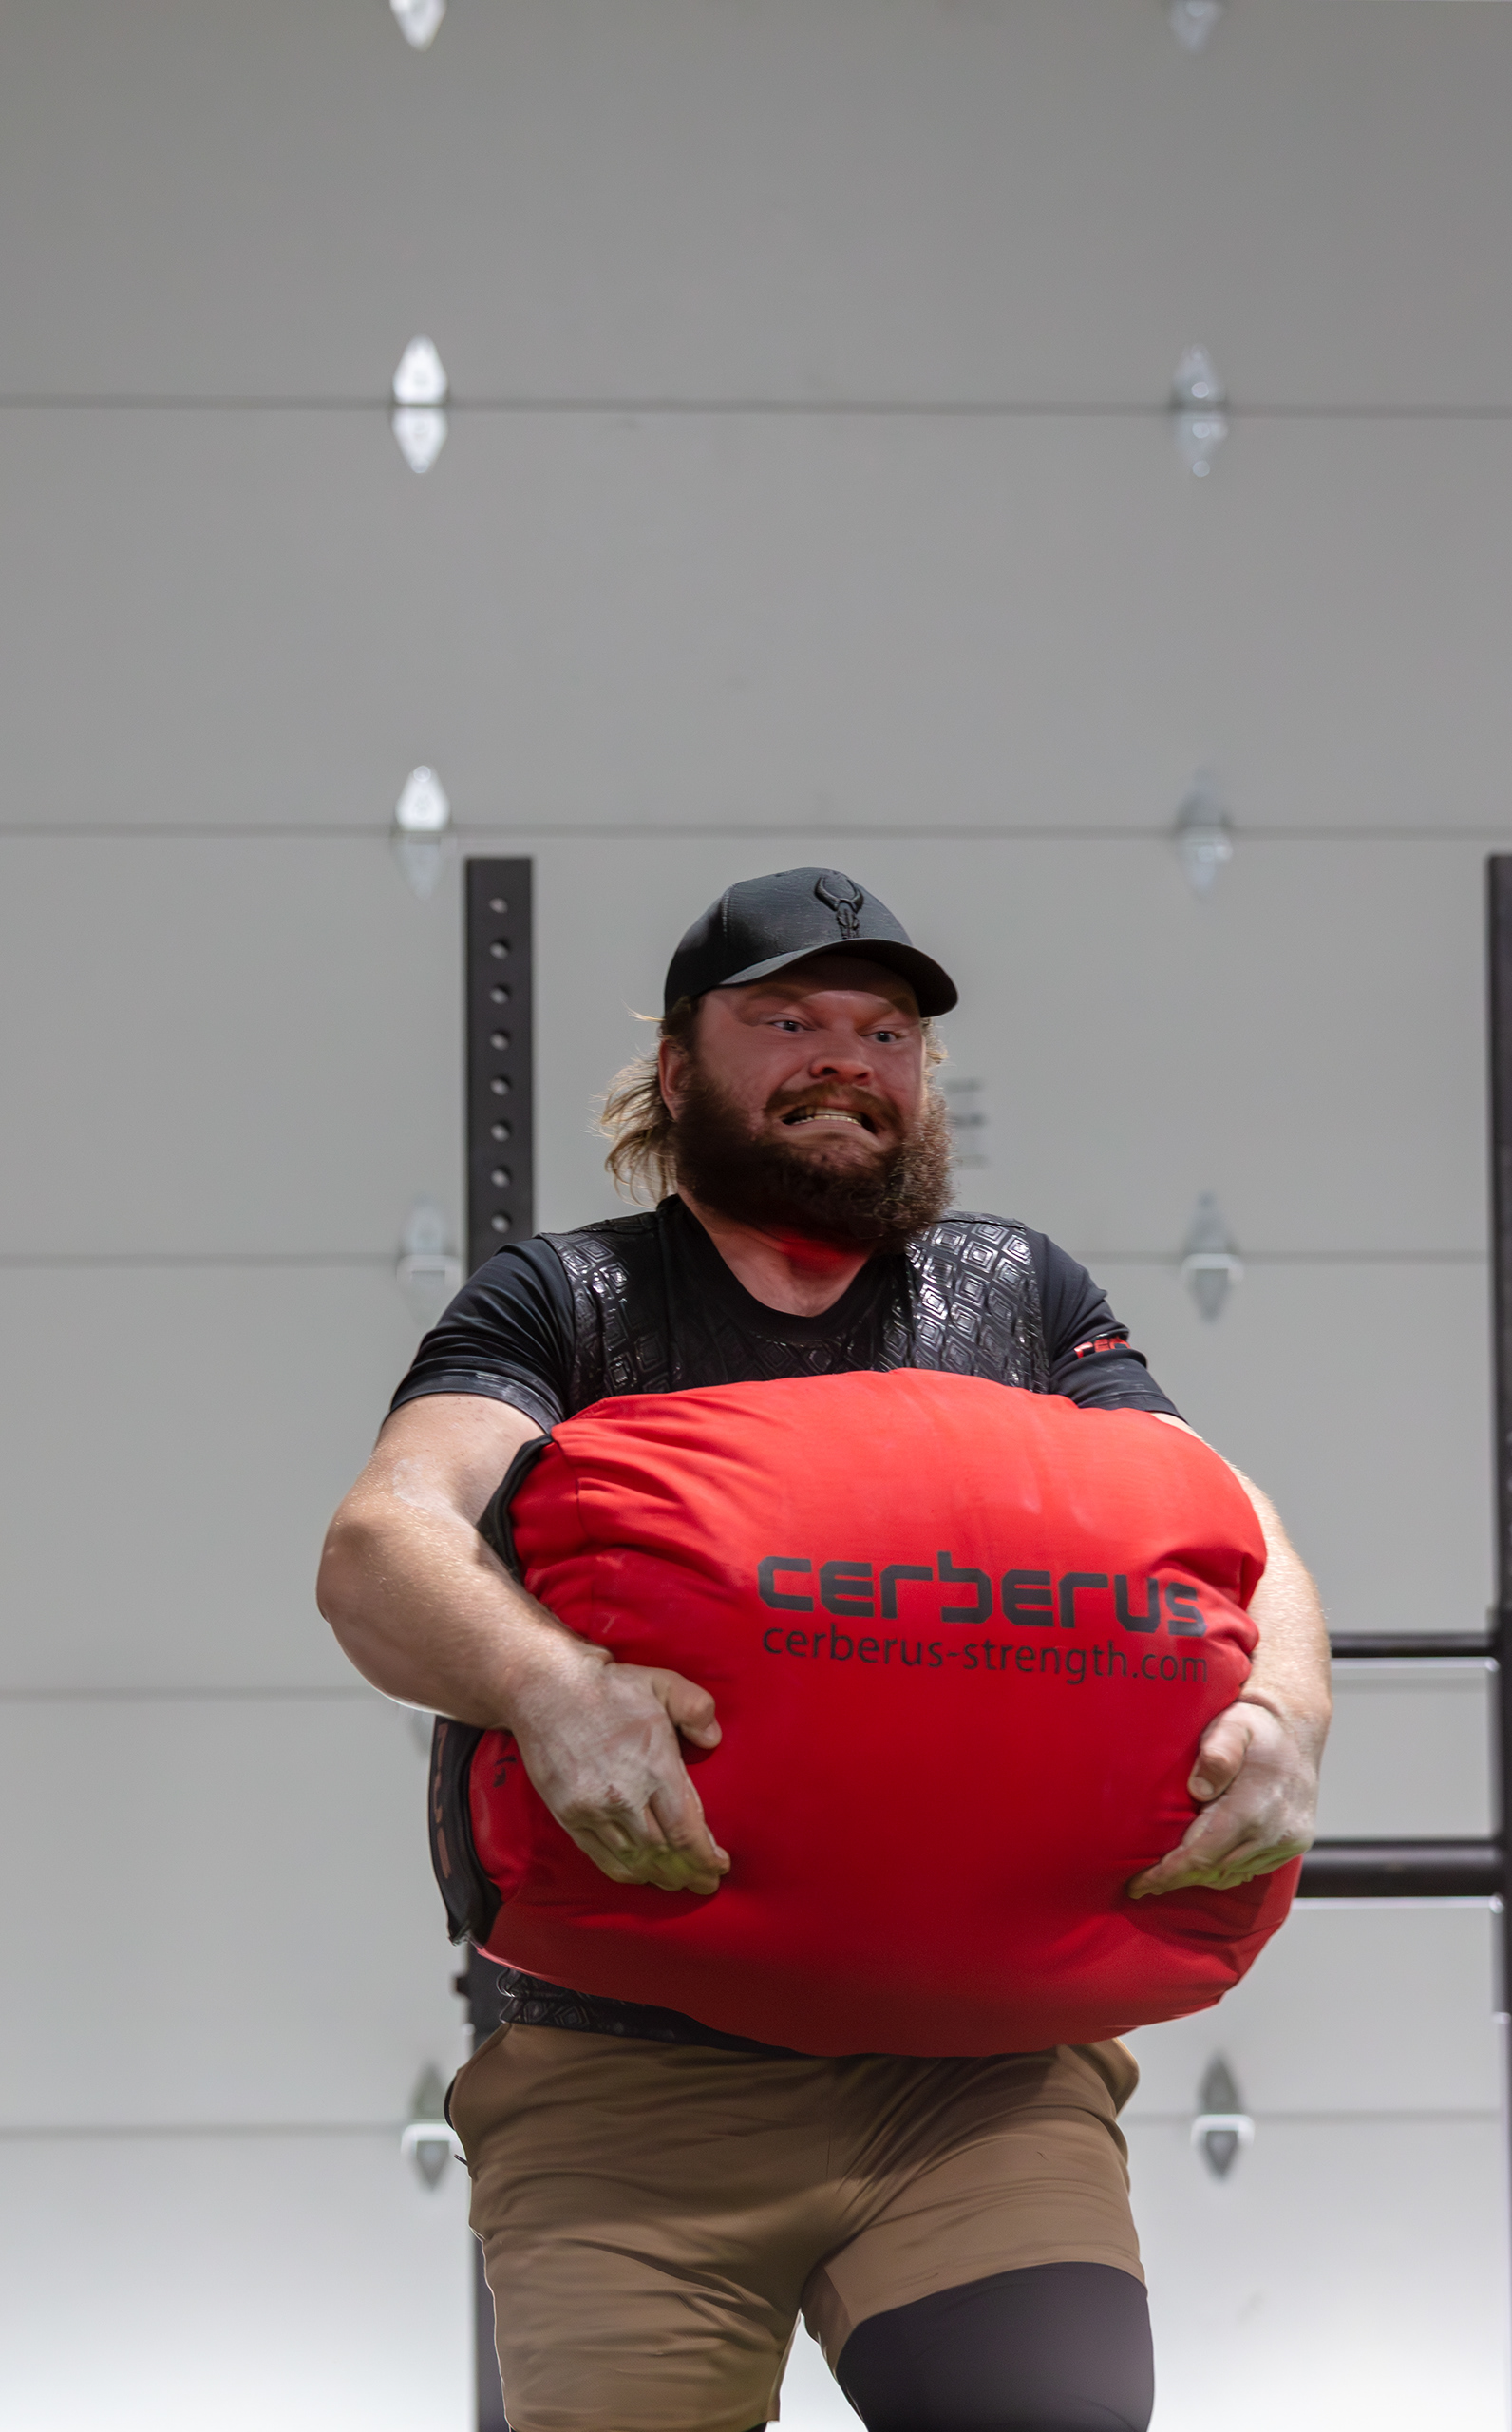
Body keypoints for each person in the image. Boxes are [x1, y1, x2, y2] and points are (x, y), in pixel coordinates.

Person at [317, 868, 1332, 2432]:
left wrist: (1289, 1705)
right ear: (675, 1071)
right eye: (788, 1021)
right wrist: (550, 1687)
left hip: (981, 2083)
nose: (848, 1058)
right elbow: (383, 1545)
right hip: (629, 2089)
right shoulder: (570, 1300)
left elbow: (1227, 1513)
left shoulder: (1016, 1295)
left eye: (887, 1031)